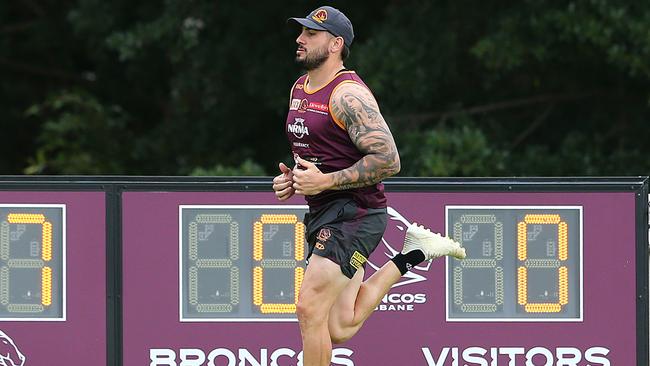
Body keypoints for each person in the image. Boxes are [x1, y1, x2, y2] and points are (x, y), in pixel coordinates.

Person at [272, 6, 466, 366]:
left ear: (335, 44)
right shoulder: (300, 87)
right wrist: (293, 179)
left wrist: (324, 181)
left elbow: (389, 160)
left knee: (307, 307)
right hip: (324, 212)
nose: (300, 39)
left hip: (356, 215)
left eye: (311, 34)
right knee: (340, 326)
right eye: (300, 32)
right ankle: (414, 253)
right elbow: (321, 150)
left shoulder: (349, 96)